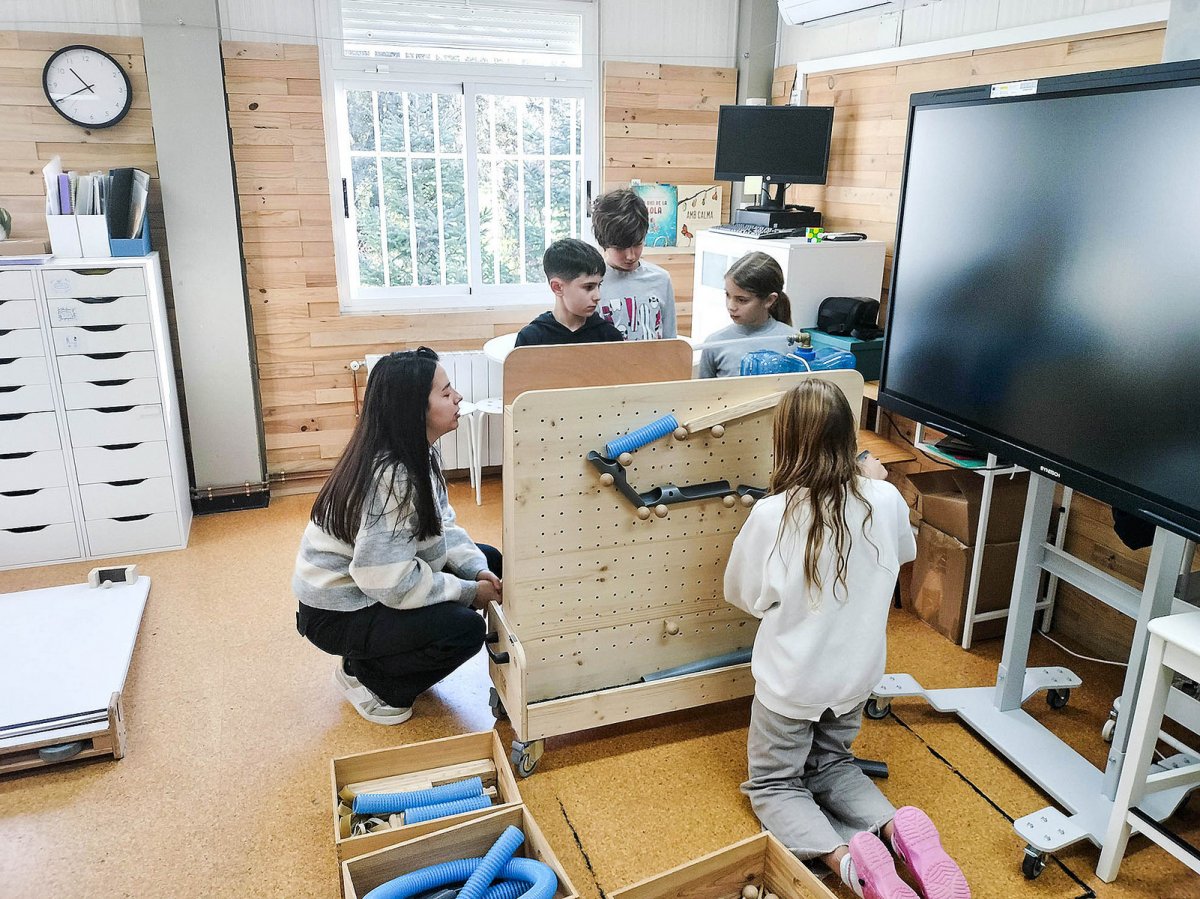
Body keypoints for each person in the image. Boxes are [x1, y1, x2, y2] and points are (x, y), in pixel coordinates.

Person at [725, 380, 969, 899]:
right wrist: (874, 482)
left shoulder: (772, 514)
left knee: (775, 785)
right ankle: (894, 830)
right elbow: (901, 556)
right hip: (858, 676)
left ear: (786, 440)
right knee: (833, 763)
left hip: (793, 685)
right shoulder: (885, 499)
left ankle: (846, 863)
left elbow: (746, 596)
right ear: (848, 437)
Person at [292, 348, 503, 725]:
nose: (457, 398)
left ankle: (379, 654)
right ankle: (370, 679)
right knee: (465, 630)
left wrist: (474, 571)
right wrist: (469, 592)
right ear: (414, 410)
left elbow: (443, 526)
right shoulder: (392, 477)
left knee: (489, 560)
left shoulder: (415, 455)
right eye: (445, 392)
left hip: (368, 586)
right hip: (336, 612)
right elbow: (387, 582)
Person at [592, 188, 677, 340]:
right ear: (603, 242)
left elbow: (670, 338)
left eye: (637, 244)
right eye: (620, 248)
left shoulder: (661, 279)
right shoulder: (593, 283)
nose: (631, 256)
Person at [699, 251, 797, 378]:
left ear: (769, 300)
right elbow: (702, 394)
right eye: (727, 295)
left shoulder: (794, 342)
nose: (731, 306)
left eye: (742, 300)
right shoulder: (714, 343)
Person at [515, 238, 624, 347]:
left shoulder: (610, 336)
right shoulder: (531, 339)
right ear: (557, 287)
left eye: (599, 285)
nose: (597, 296)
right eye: (588, 287)